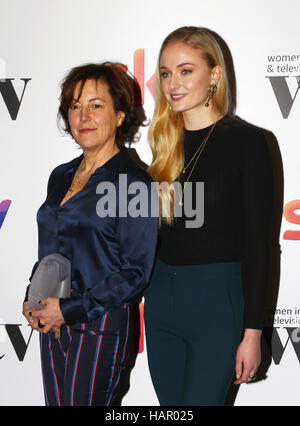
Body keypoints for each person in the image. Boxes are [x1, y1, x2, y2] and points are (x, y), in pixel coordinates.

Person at [144, 26, 274, 406]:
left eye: (186, 70)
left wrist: (252, 333)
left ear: (214, 75)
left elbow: (258, 246)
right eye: (166, 73)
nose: (173, 84)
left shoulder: (249, 143)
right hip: (160, 304)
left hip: (217, 304)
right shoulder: (163, 144)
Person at [22, 62, 158, 406]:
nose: (84, 116)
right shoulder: (60, 175)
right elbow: (52, 248)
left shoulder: (134, 184)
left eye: (96, 106)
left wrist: (69, 310)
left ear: (120, 115)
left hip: (100, 323)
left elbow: (136, 273)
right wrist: (34, 294)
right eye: (75, 106)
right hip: (51, 318)